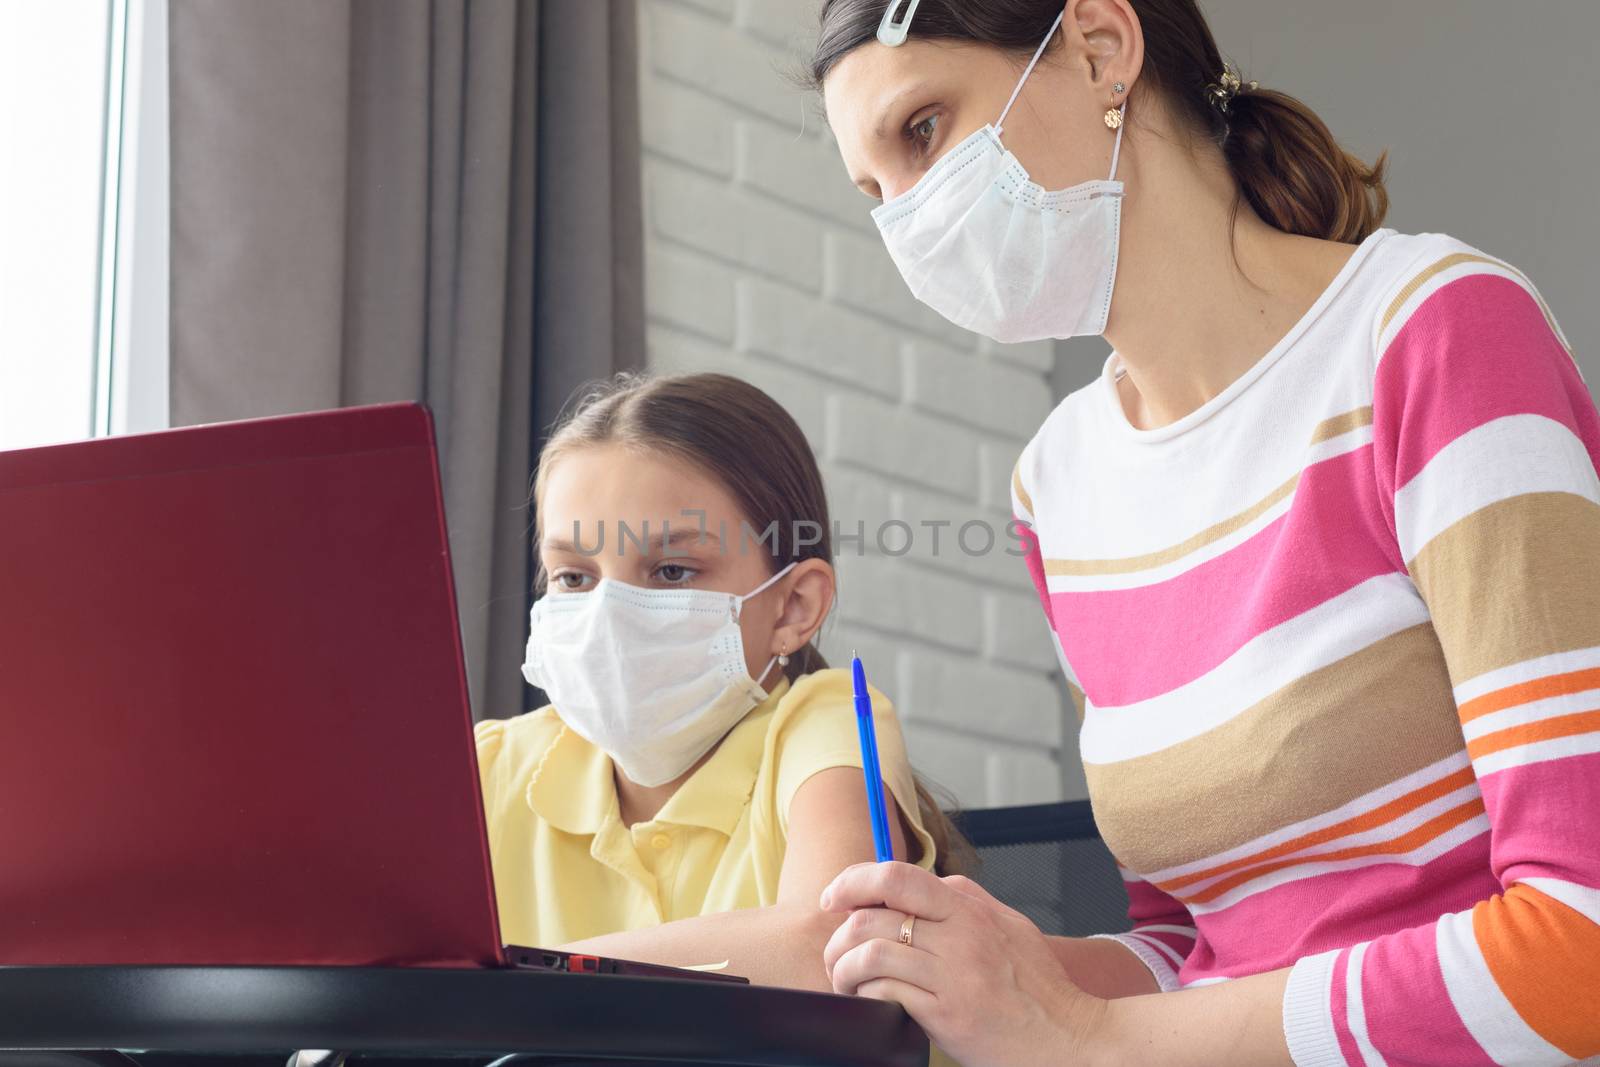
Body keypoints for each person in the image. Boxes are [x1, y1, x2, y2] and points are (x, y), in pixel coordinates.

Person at [810, 1, 1600, 1065]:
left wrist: (1090, 1035)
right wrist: (1012, 970)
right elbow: (1194, 943)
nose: (910, 217)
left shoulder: (1430, 334)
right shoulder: (1059, 480)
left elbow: (1577, 946)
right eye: (874, 193)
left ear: (1100, 47)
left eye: (922, 132)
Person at [474, 371, 963, 992]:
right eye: (573, 577)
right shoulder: (485, 771)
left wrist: (505, 982)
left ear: (793, 608)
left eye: (672, 570)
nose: (609, 617)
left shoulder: (825, 723)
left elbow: (828, 946)